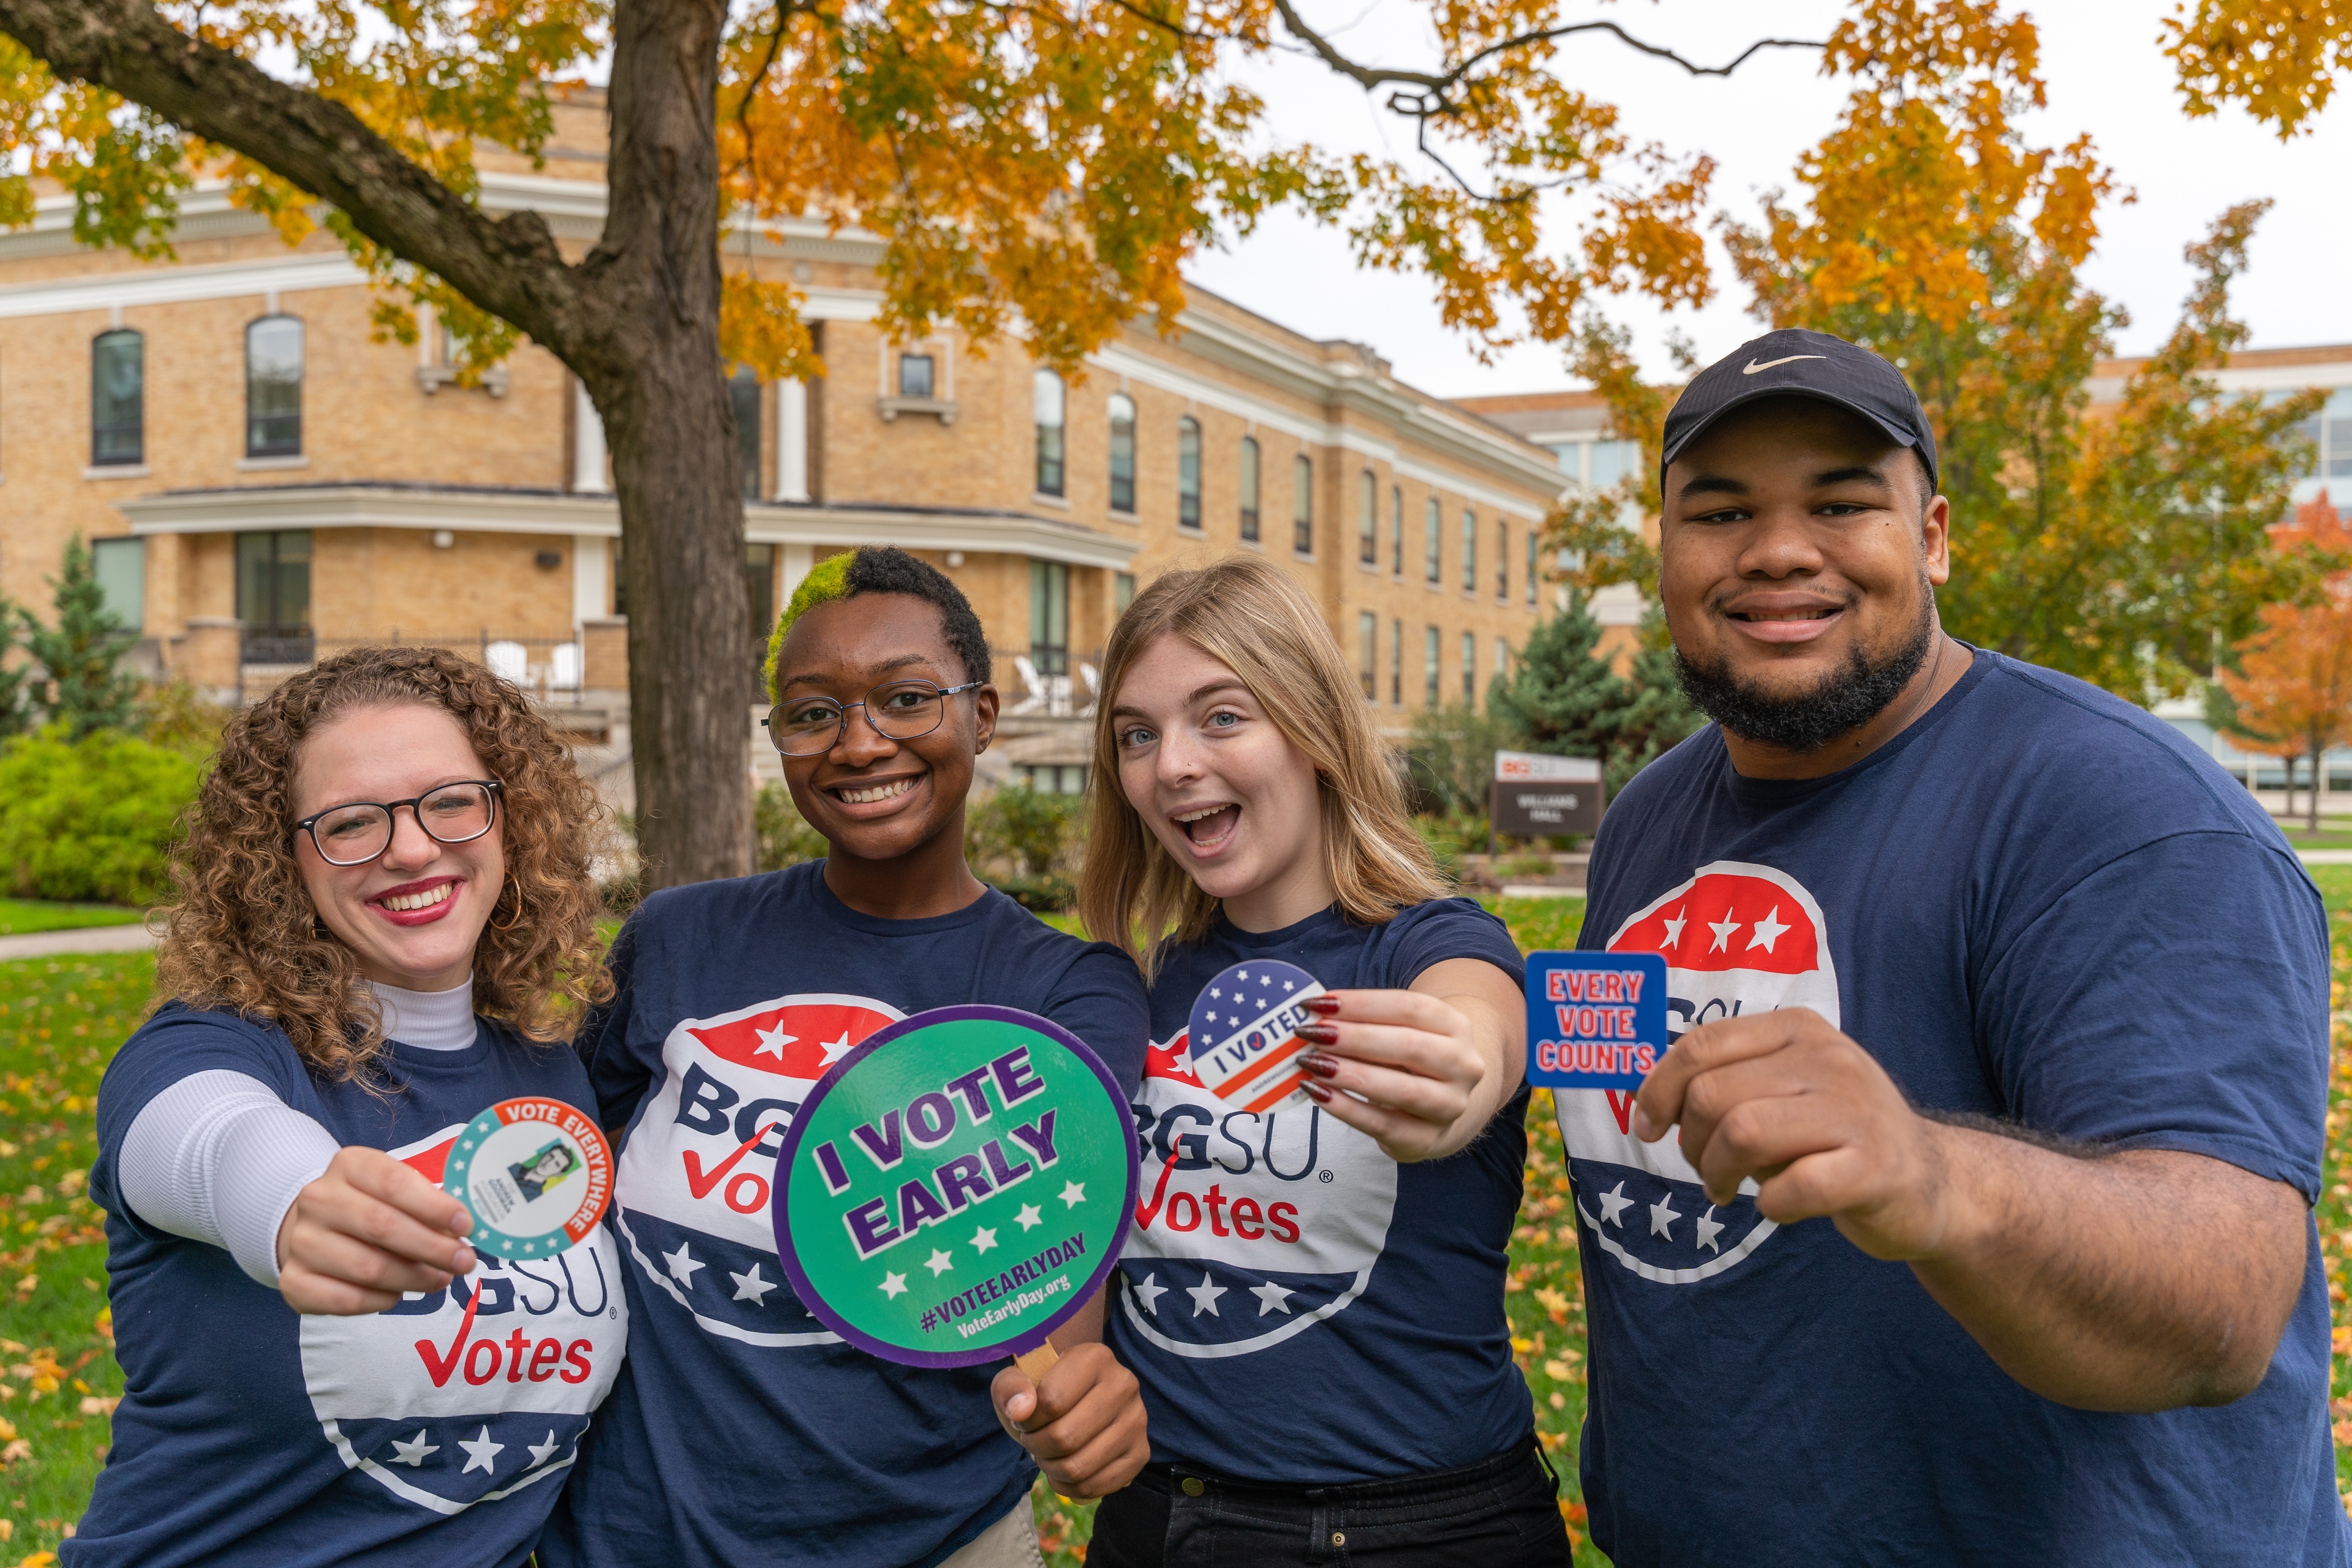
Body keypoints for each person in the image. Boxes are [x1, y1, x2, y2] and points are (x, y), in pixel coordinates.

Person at [1565, 328, 2344, 1565]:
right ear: (1665, 550)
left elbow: (2224, 1304)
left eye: (1840, 502)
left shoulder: (2127, 818)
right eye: (1719, 511)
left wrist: (1933, 1176)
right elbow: (1622, 1153)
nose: (1776, 549)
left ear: (1931, 536)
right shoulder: (1649, 821)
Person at [543, 546, 1151, 1568]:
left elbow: (1057, 1255)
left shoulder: (1067, 989)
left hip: (930, 1541)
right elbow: (563, 1169)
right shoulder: (677, 938)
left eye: (906, 699)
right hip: (633, 1536)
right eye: (813, 712)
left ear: (984, 716)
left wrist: (1073, 1387)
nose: (859, 745)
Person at [70, 646, 626, 1568]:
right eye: (351, 823)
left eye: (451, 801)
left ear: (510, 820)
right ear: (281, 862)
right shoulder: (207, 1050)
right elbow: (210, 1140)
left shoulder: (555, 1079)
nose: (411, 847)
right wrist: (294, 1202)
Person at [1077, 556, 1563, 1567]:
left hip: (1429, 1530)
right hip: (1169, 1524)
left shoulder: (1430, 942)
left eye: (1221, 717)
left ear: (1314, 731)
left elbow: (1477, 1024)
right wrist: (1073, 1380)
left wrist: (1458, 1072)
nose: (1171, 765)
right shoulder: (1130, 986)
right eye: (1138, 734)